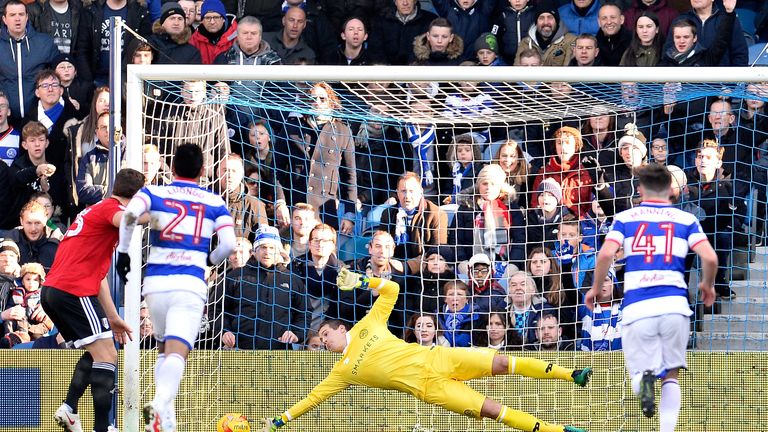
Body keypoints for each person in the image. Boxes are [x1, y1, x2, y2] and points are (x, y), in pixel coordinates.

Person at [261, 268, 592, 432]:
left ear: (339, 328)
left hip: (441, 356)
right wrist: (281, 420)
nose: (324, 342)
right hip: (430, 388)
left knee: (503, 362)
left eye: (324, 334)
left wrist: (363, 282)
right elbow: (313, 397)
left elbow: (391, 289)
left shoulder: (367, 325)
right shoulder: (341, 370)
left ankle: (570, 374)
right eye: (320, 342)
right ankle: (557, 430)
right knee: (492, 411)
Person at [586, 163, 718, 430]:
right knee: (671, 375)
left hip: (638, 306)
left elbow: (604, 255)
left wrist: (595, 287)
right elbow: (710, 257)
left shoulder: (625, 219)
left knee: (638, 370)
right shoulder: (686, 220)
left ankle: (644, 378)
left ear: (639, 189)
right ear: (671, 190)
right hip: (674, 306)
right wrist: (707, 285)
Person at [115, 144, 237, 432]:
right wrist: (211, 259)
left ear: (171, 169)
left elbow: (129, 215)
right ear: (204, 171)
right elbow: (230, 243)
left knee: (163, 349)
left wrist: (123, 251)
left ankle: (165, 422)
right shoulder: (213, 200)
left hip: (155, 284)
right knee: (177, 352)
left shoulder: (154, 192)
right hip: (189, 284)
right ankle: (158, 404)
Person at [38, 168, 144, 432]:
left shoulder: (94, 218)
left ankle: (70, 408)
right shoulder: (110, 209)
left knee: (98, 351)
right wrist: (161, 215)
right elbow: (126, 219)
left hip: (54, 292)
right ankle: (103, 428)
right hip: (72, 292)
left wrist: (112, 317)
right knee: (108, 354)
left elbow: (98, 279)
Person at [220, 225, 307, 349]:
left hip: (279, 353)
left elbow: (303, 312)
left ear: (278, 251)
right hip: (240, 350)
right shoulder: (235, 276)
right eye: (263, 247)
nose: (267, 252)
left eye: (272, 247)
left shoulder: (292, 279)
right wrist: (225, 331)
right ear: (254, 251)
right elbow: (219, 309)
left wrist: (296, 333)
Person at [0, 0, 61, 124]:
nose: (17, 19)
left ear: (27, 17)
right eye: (12, 15)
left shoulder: (44, 43)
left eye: (21, 14)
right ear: (4, 19)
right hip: (5, 119)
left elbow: (58, 74)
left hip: (39, 119)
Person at [380, 172, 448, 273]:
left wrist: (407, 266)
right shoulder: (388, 214)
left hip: (425, 271)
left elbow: (438, 252)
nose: (407, 196)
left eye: (411, 191)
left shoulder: (436, 214)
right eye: (403, 191)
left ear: (420, 192)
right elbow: (381, 245)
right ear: (397, 193)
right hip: (393, 268)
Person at [659, 0, 737, 67]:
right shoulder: (667, 60)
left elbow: (722, 39)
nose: (681, 41)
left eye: (686, 37)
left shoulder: (706, 58)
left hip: (717, 83)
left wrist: (729, 13)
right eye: (677, 37)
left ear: (695, 38)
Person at [367, 0, 436, 66]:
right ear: (395, 2)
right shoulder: (380, 20)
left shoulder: (430, 20)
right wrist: (387, 72)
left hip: (416, 73)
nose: (405, 3)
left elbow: (429, 51)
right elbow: (375, 50)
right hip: (386, 73)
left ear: (415, 1)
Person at [1, 262, 53, 347]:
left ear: (40, 282)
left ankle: (24, 336)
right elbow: (10, 305)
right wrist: (11, 311)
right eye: (28, 279)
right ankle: (10, 336)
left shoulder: (42, 294)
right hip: (18, 318)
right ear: (22, 281)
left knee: (32, 327)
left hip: (34, 321)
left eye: (35, 280)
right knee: (9, 320)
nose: (31, 283)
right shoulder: (16, 292)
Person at [515, 0, 577, 66]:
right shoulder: (525, 43)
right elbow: (517, 71)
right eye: (541, 18)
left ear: (556, 21)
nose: (546, 22)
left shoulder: (570, 40)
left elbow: (568, 71)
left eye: (550, 18)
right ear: (536, 22)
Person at [578, 269, 622, 352]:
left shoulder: (624, 308)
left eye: (605, 280)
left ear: (614, 284)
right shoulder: (586, 306)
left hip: (620, 362)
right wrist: (566, 263)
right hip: (589, 362)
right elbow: (570, 292)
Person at [495, 0, 536, 65]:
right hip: (507, 59)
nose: (517, 1)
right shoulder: (503, 15)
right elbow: (495, 36)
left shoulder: (534, 14)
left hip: (529, 58)